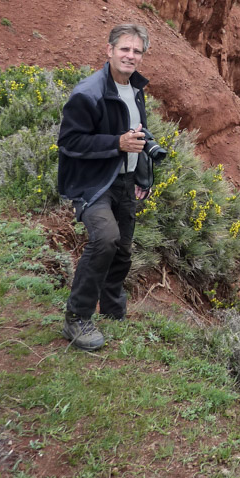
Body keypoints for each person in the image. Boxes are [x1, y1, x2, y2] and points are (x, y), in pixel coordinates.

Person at [57, 23, 151, 350]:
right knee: (106, 239)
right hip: (93, 184)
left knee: (123, 248)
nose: (130, 55)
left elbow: (139, 135)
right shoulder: (89, 91)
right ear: (109, 50)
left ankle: (112, 310)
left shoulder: (135, 89)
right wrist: (117, 143)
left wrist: (141, 175)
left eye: (137, 51)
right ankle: (77, 318)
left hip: (123, 181)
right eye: (124, 48)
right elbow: (69, 141)